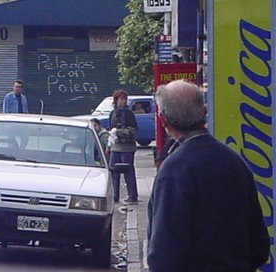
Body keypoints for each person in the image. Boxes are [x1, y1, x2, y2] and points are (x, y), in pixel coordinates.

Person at [147, 80, 268, 272]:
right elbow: (260, 247)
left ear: (163, 120)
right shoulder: (234, 162)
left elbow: (164, 254)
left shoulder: (174, 171)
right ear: (204, 112)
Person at [107, 89, 138, 203]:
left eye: (125, 99)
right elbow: (111, 128)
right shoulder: (113, 113)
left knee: (127, 170)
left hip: (127, 146)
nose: (124, 101)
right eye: (121, 99)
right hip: (115, 146)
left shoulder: (128, 113)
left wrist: (119, 132)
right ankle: (115, 195)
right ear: (116, 100)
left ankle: (132, 195)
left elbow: (133, 129)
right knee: (113, 170)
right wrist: (109, 145)